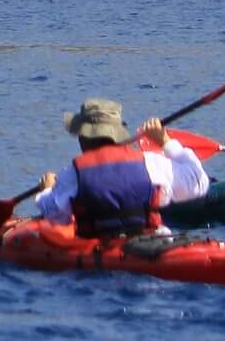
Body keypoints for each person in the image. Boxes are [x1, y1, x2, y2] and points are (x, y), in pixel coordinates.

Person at [28, 97, 212, 238]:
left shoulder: (73, 175)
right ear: (117, 134)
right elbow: (199, 183)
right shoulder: (151, 163)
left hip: (102, 256)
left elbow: (53, 214)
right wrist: (165, 142)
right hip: (155, 245)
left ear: (83, 138)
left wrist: (48, 189)